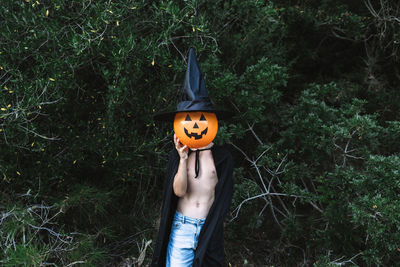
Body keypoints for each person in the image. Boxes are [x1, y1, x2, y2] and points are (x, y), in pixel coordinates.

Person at [152, 47, 234, 266]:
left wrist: (215, 227)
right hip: (183, 227)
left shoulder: (222, 157)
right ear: (180, 123)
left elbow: (224, 197)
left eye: (202, 118)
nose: (195, 125)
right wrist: (182, 158)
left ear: (212, 120)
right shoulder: (178, 155)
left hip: (209, 227)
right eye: (189, 119)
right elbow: (178, 191)